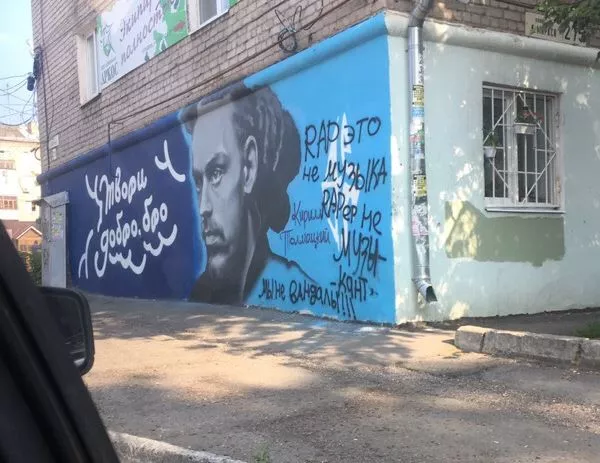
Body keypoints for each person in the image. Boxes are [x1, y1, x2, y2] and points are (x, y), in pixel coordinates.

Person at [183, 85, 312, 304]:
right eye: (198, 182)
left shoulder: (296, 287)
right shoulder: (199, 293)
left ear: (249, 167)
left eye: (216, 173)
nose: (203, 207)